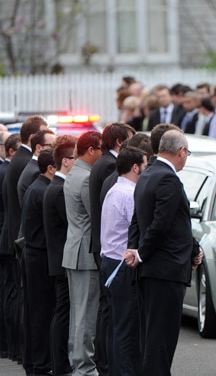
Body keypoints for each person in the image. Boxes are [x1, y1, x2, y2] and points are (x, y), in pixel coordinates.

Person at [123, 129, 202, 375]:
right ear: (180, 152)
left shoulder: (147, 174)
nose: (186, 157)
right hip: (165, 270)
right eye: (187, 152)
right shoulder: (168, 179)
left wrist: (136, 249)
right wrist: (141, 253)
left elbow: (138, 220)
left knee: (152, 336)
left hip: (152, 269)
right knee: (161, 339)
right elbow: (161, 223)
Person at [0, 115, 47, 364]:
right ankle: (16, 348)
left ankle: (14, 348)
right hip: (18, 238)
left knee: (14, 295)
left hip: (12, 235)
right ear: (34, 139)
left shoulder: (19, 160)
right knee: (17, 297)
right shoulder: (26, 162)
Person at [88, 122, 134, 376]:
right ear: (119, 143)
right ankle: (105, 362)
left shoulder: (105, 163)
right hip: (110, 247)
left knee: (109, 310)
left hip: (105, 244)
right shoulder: (110, 166)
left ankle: (105, 361)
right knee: (111, 313)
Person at [101, 147, 147, 375]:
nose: (146, 170)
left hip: (110, 262)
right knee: (127, 329)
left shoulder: (114, 189)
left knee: (117, 326)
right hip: (123, 265)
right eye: (145, 165)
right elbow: (139, 226)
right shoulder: (129, 194)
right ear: (136, 167)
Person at [62, 130, 102, 376]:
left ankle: (78, 363)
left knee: (78, 313)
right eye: (100, 150)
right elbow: (94, 215)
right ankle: (84, 367)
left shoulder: (74, 172)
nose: (102, 154)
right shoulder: (86, 177)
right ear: (91, 150)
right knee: (85, 315)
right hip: (84, 254)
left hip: (74, 250)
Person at [43, 136, 77, 376]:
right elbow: (70, 224)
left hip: (58, 258)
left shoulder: (55, 186)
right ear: (66, 161)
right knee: (62, 313)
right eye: (76, 158)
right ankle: (61, 365)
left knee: (61, 311)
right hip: (61, 260)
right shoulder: (59, 190)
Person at [20, 148, 56, 376]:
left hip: (32, 255)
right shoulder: (43, 191)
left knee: (34, 312)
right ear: (51, 168)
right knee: (42, 313)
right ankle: (41, 364)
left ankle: (33, 362)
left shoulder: (37, 187)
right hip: (39, 258)